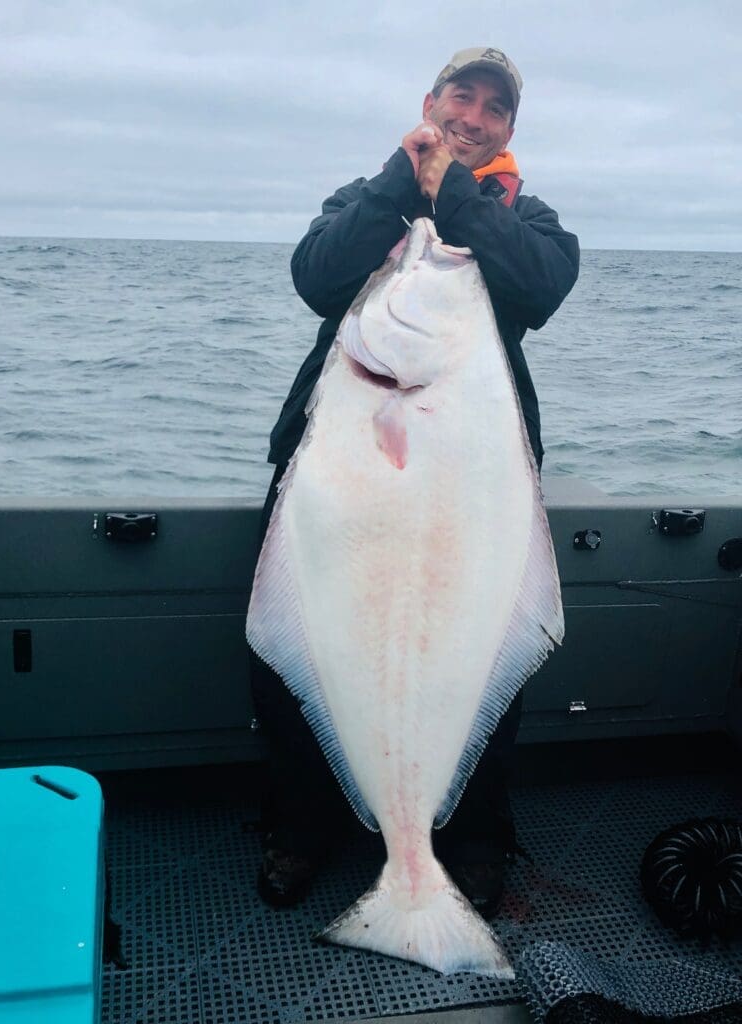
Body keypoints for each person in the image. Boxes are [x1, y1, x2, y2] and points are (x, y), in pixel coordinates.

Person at [249, 46, 580, 915]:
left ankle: (469, 843)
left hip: (470, 482)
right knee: (299, 665)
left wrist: (455, 197)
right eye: (459, 98)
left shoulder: (531, 220)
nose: (472, 118)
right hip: (335, 472)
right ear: (430, 102)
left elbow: (538, 287)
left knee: (473, 659)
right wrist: (404, 184)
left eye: (493, 109)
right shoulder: (366, 200)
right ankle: (304, 826)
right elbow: (317, 277)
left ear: (511, 128)